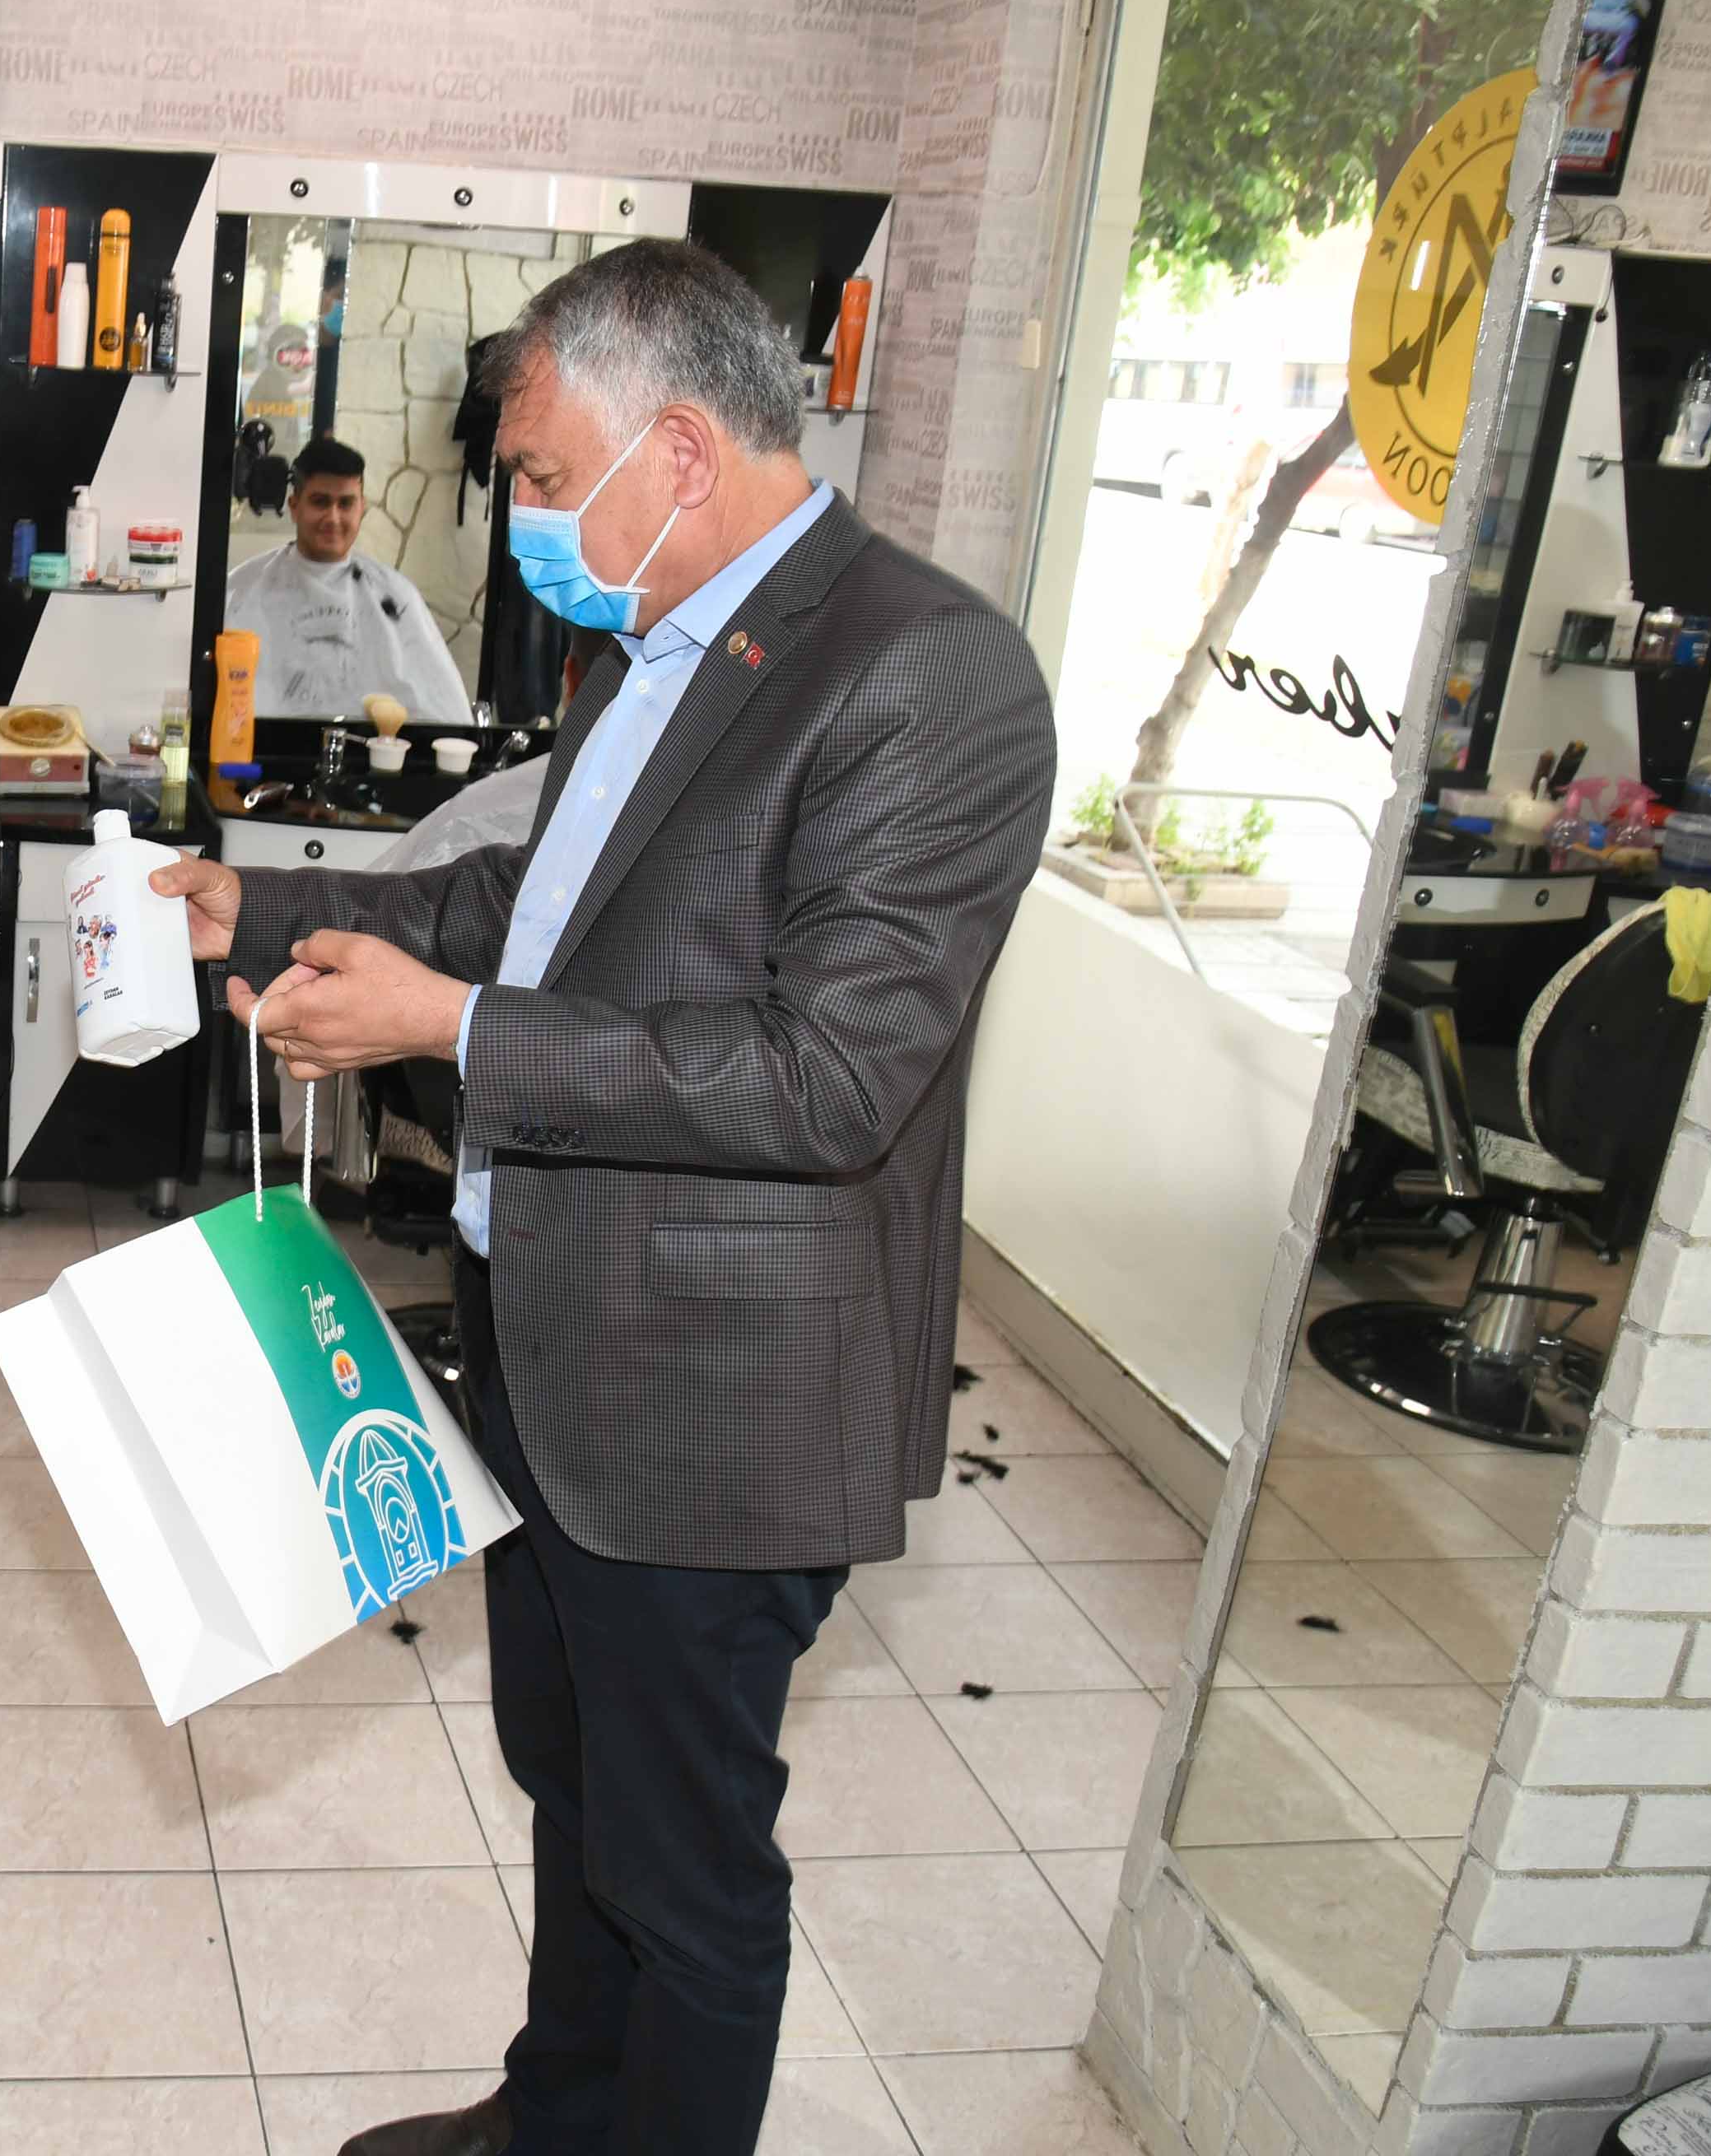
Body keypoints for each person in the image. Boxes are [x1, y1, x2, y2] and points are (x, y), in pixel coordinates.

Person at [151, 240, 1056, 2156]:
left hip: (712, 1393)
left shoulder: (923, 673)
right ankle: (554, 2112)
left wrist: (452, 1031)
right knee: (568, 1777)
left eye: (548, 478)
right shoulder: (650, 642)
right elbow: (533, 904)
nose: (528, 521)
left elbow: (830, 1080)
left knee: (684, 1860)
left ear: (682, 449)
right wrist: (281, 905)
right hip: (550, 1330)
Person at [221, 437, 474, 721]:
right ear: (294, 506)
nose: (333, 518)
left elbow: (448, 715)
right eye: (320, 502)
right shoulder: (243, 589)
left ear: (361, 508)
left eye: (345, 504)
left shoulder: (394, 598)